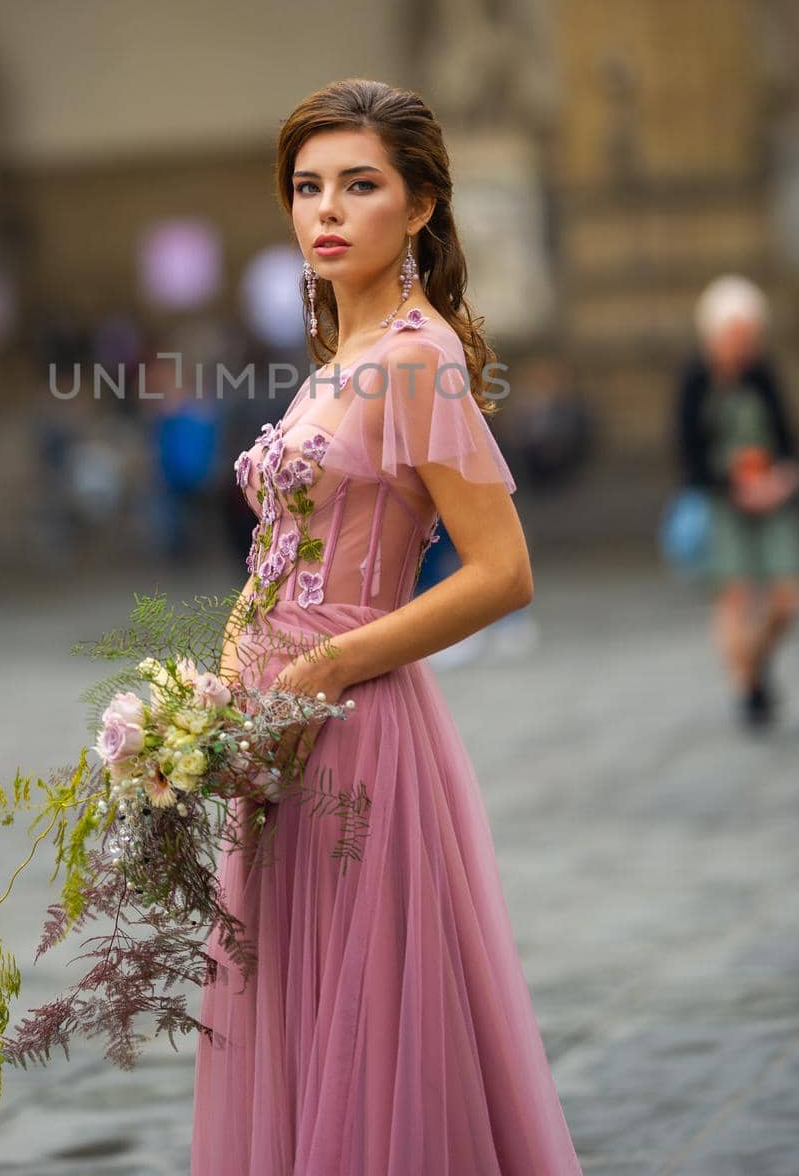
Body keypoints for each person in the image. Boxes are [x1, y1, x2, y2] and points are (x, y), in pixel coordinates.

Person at [191, 80, 582, 1175]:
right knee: (301, 1032)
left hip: (359, 737)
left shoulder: (417, 357)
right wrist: (221, 693)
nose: (327, 208)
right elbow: (279, 558)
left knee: (371, 1049)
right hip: (272, 749)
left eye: (359, 184)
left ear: (416, 208)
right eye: (307, 187)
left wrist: (331, 661)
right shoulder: (331, 365)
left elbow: (503, 571)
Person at [675, 274, 799, 729]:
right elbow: (689, 454)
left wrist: (779, 480)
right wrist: (732, 483)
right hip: (724, 500)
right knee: (735, 595)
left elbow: (787, 442)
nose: (742, 344)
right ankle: (746, 686)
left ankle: (756, 664)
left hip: (770, 498)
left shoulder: (762, 375)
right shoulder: (696, 379)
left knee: (786, 598)